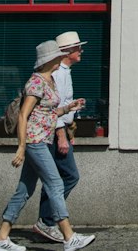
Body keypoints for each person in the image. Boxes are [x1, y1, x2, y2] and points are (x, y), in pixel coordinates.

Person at [0, 40, 96, 251]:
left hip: (42, 140)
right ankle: (69, 237)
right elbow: (23, 115)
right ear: (50, 60)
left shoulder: (49, 81)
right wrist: (21, 147)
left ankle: (1, 239)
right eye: (57, 57)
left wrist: (68, 108)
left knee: (24, 191)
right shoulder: (36, 83)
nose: (60, 59)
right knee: (56, 184)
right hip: (35, 141)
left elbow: (47, 113)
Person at [33, 31, 86, 244]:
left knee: (56, 179)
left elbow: (63, 105)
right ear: (67, 51)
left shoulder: (65, 71)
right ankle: (46, 221)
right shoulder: (58, 74)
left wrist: (70, 130)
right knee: (68, 176)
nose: (81, 51)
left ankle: (47, 221)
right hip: (55, 133)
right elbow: (52, 108)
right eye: (77, 48)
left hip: (62, 131)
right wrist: (61, 135)